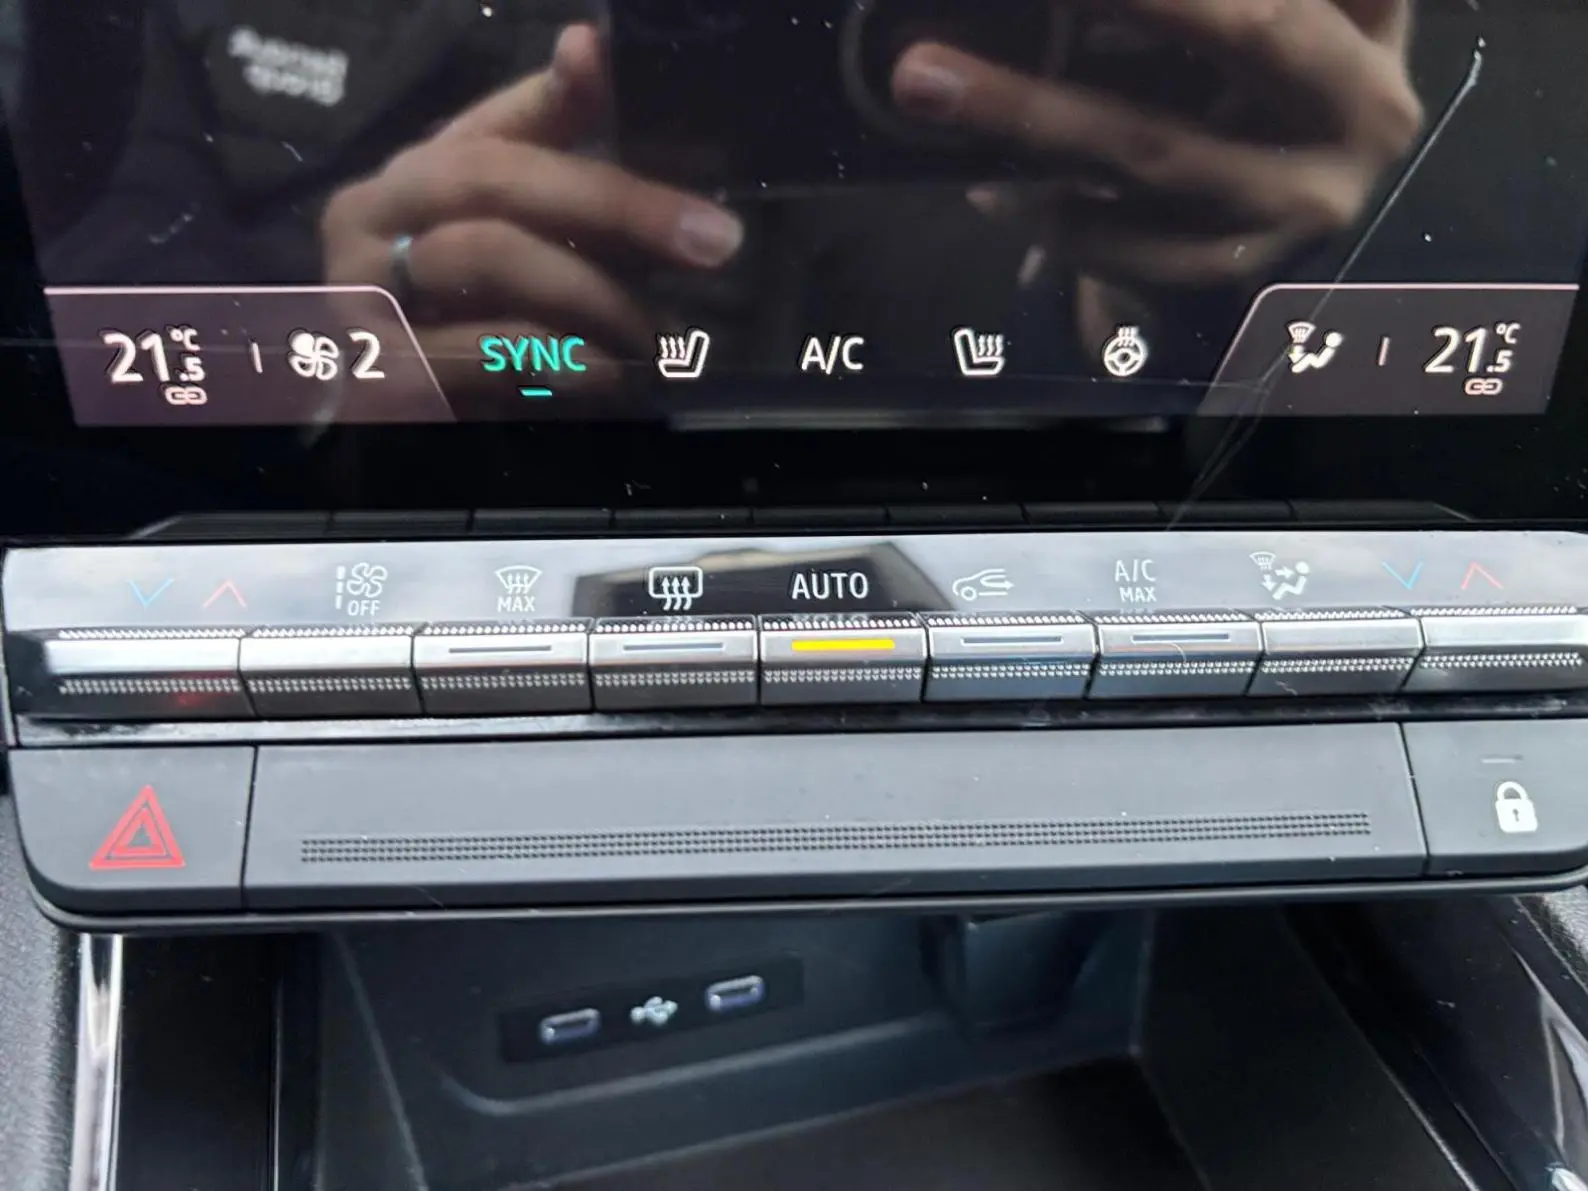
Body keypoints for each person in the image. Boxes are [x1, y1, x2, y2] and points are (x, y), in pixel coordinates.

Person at [33, 0, 1424, 412]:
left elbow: (993, 333)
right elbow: (89, 330)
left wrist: (1188, 285)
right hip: (306, 586)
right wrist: (318, 371)